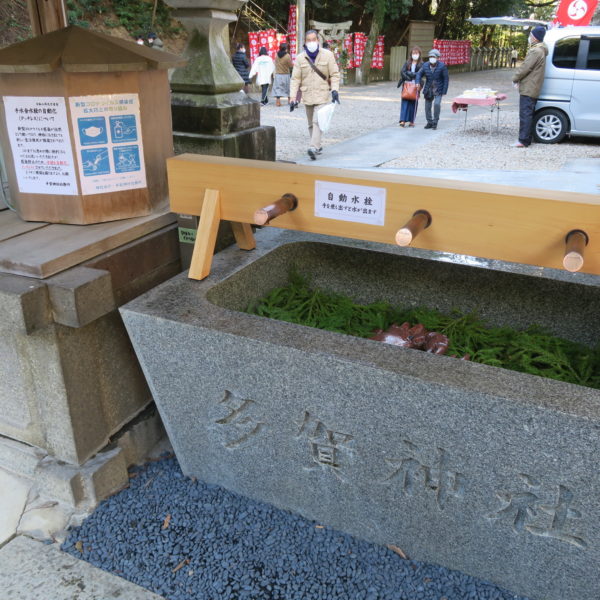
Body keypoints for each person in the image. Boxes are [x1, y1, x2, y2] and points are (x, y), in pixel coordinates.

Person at [290, 30, 340, 160]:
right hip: (307, 95)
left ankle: (313, 147)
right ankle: (317, 146)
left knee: (317, 121)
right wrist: (292, 97)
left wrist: (335, 90)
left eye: (314, 39)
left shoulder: (327, 55)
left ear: (318, 40)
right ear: (305, 42)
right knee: (311, 124)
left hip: (322, 94)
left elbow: (334, 74)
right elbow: (295, 79)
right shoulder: (300, 58)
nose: (311, 42)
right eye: (309, 40)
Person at [512, 25, 548, 148]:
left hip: (529, 87)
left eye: (531, 35)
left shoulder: (535, 51)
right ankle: (527, 137)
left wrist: (515, 78)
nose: (530, 37)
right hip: (533, 86)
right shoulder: (541, 50)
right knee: (528, 113)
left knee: (525, 114)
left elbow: (525, 67)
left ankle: (523, 140)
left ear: (535, 38)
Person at [415, 48, 449, 130]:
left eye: (434, 57)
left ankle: (435, 122)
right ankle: (429, 122)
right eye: (430, 56)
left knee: (437, 104)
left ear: (437, 58)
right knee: (427, 106)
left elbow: (446, 78)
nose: (432, 58)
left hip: (439, 88)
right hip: (428, 88)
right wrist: (417, 82)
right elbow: (419, 74)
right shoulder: (425, 65)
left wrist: (444, 90)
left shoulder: (442, 66)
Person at [397, 46, 423, 127]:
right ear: (411, 54)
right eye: (413, 53)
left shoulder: (422, 64)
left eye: (416, 53)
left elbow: (421, 74)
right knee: (405, 101)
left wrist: (410, 74)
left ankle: (412, 120)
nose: (415, 55)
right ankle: (402, 120)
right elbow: (402, 72)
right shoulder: (407, 62)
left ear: (419, 54)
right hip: (407, 84)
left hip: (416, 84)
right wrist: (409, 76)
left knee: (413, 103)